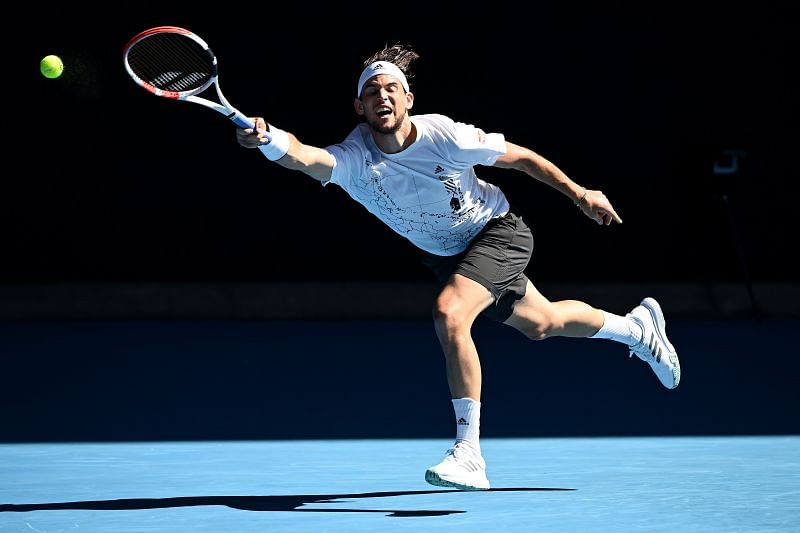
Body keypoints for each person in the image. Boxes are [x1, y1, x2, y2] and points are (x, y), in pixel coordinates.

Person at [236, 44, 680, 491]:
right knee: (542, 323)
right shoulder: (355, 161)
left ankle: (469, 452)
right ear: (359, 106)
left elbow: (522, 158)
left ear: (409, 98)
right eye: (372, 91)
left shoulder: (446, 137)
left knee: (450, 312)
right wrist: (268, 138)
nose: (382, 97)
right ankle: (636, 329)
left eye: (392, 88)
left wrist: (580, 194)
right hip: (448, 256)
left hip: (497, 232)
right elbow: (304, 156)